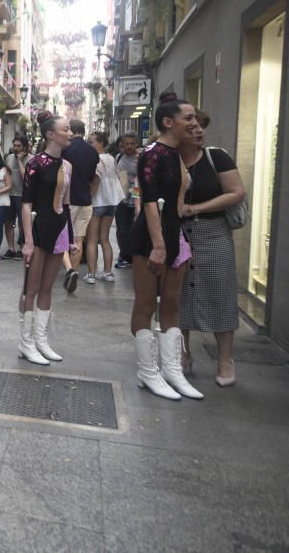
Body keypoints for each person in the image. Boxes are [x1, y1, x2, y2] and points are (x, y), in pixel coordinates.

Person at [129, 100, 201, 400]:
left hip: (175, 236)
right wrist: (158, 245)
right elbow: (148, 201)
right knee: (146, 304)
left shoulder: (176, 155)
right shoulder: (152, 155)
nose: (194, 123)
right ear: (169, 122)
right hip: (151, 238)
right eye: (188, 118)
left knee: (172, 303)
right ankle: (147, 371)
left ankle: (171, 369)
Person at [178, 110, 245, 387]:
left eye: (200, 126)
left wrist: (196, 208)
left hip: (213, 232)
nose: (197, 131)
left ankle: (224, 359)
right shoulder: (170, 160)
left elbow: (236, 192)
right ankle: (181, 354)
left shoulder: (215, 157)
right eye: (191, 126)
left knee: (220, 293)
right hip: (179, 233)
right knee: (178, 295)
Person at [20, 111, 77, 366]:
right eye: (66, 129)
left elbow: (66, 204)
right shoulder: (35, 163)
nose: (71, 133)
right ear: (51, 134)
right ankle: (26, 341)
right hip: (38, 228)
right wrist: (28, 241)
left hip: (59, 229)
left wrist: (72, 237)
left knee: (47, 287)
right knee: (30, 289)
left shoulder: (67, 166)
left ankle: (41, 340)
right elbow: (25, 204)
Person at [60, 120, 99, 292]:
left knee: (61, 237)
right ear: (83, 131)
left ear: (71, 130)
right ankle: (74, 271)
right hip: (85, 200)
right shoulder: (92, 151)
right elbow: (92, 177)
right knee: (78, 239)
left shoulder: (66, 149)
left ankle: (68, 270)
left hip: (68, 200)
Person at [84, 131, 125, 284]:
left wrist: (88, 198)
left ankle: (91, 274)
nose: (89, 145)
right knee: (105, 239)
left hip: (98, 201)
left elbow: (95, 181)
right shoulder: (111, 158)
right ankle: (108, 272)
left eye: (91, 142)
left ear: (100, 143)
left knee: (92, 240)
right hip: (112, 201)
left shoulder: (95, 159)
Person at [114, 131, 140, 269]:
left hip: (137, 200)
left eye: (132, 143)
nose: (129, 146)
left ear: (137, 144)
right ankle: (124, 255)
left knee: (134, 229)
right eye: (126, 143)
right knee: (122, 229)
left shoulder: (142, 158)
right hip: (121, 200)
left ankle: (133, 256)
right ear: (122, 144)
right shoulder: (118, 157)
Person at [3, 135, 32, 260]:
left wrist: (20, 161)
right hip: (9, 195)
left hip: (22, 195)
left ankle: (22, 247)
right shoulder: (9, 158)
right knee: (8, 222)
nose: (15, 148)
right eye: (14, 145)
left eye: (19, 146)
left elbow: (26, 177)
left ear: (25, 147)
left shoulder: (31, 159)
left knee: (22, 222)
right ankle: (11, 249)